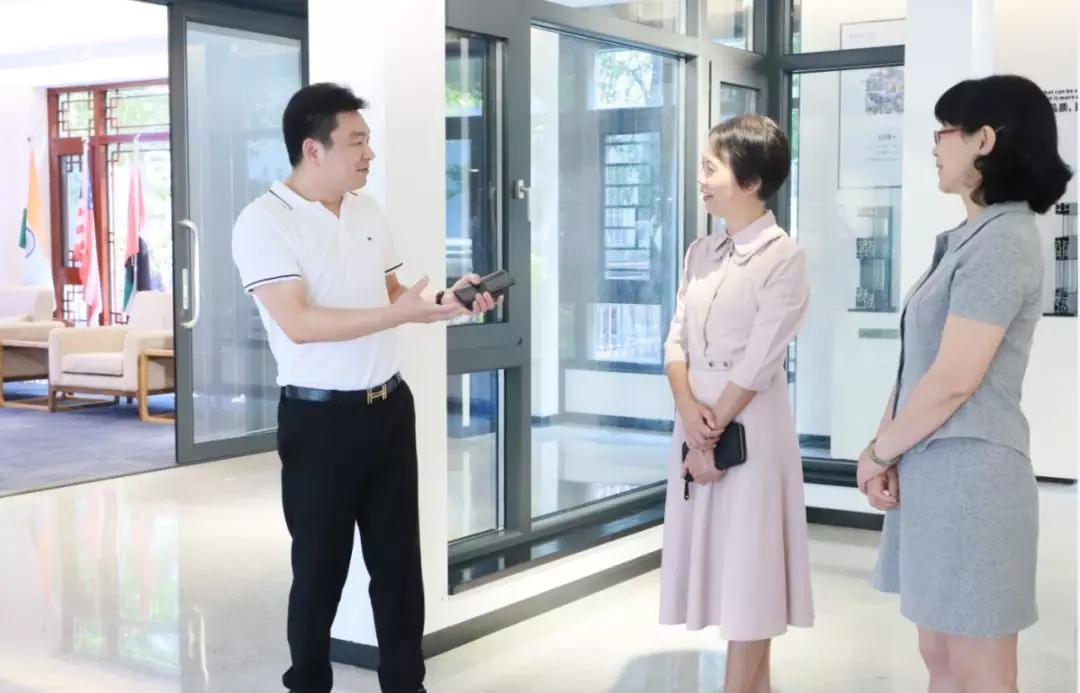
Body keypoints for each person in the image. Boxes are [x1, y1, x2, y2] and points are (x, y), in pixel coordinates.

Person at [231, 82, 496, 693]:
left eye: (368, 141)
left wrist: (447, 301)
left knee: (399, 567)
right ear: (313, 149)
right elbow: (298, 323)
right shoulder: (264, 221)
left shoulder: (366, 210)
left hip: (388, 408)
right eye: (356, 141)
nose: (369, 153)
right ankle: (308, 683)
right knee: (319, 570)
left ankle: (406, 684)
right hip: (319, 422)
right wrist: (395, 314)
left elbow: (394, 297)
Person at [858, 74, 1072, 693]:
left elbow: (955, 378)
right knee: (941, 656)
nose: (934, 146)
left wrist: (879, 452)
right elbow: (919, 362)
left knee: (980, 668)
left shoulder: (1004, 240)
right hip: (934, 471)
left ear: (984, 140)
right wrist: (886, 445)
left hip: (975, 479)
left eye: (943, 132)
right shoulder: (970, 238)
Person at [659, 114, 814, 693]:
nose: (701, 179)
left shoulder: (783, 257)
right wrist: (687, 413)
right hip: (696, 420)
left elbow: (758, 360)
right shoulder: (700, 252)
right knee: (728, 569)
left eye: (711, 168)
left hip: (749, 425)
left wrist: (710, 432)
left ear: (749, 182)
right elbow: (675, 339)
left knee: (751, 574)